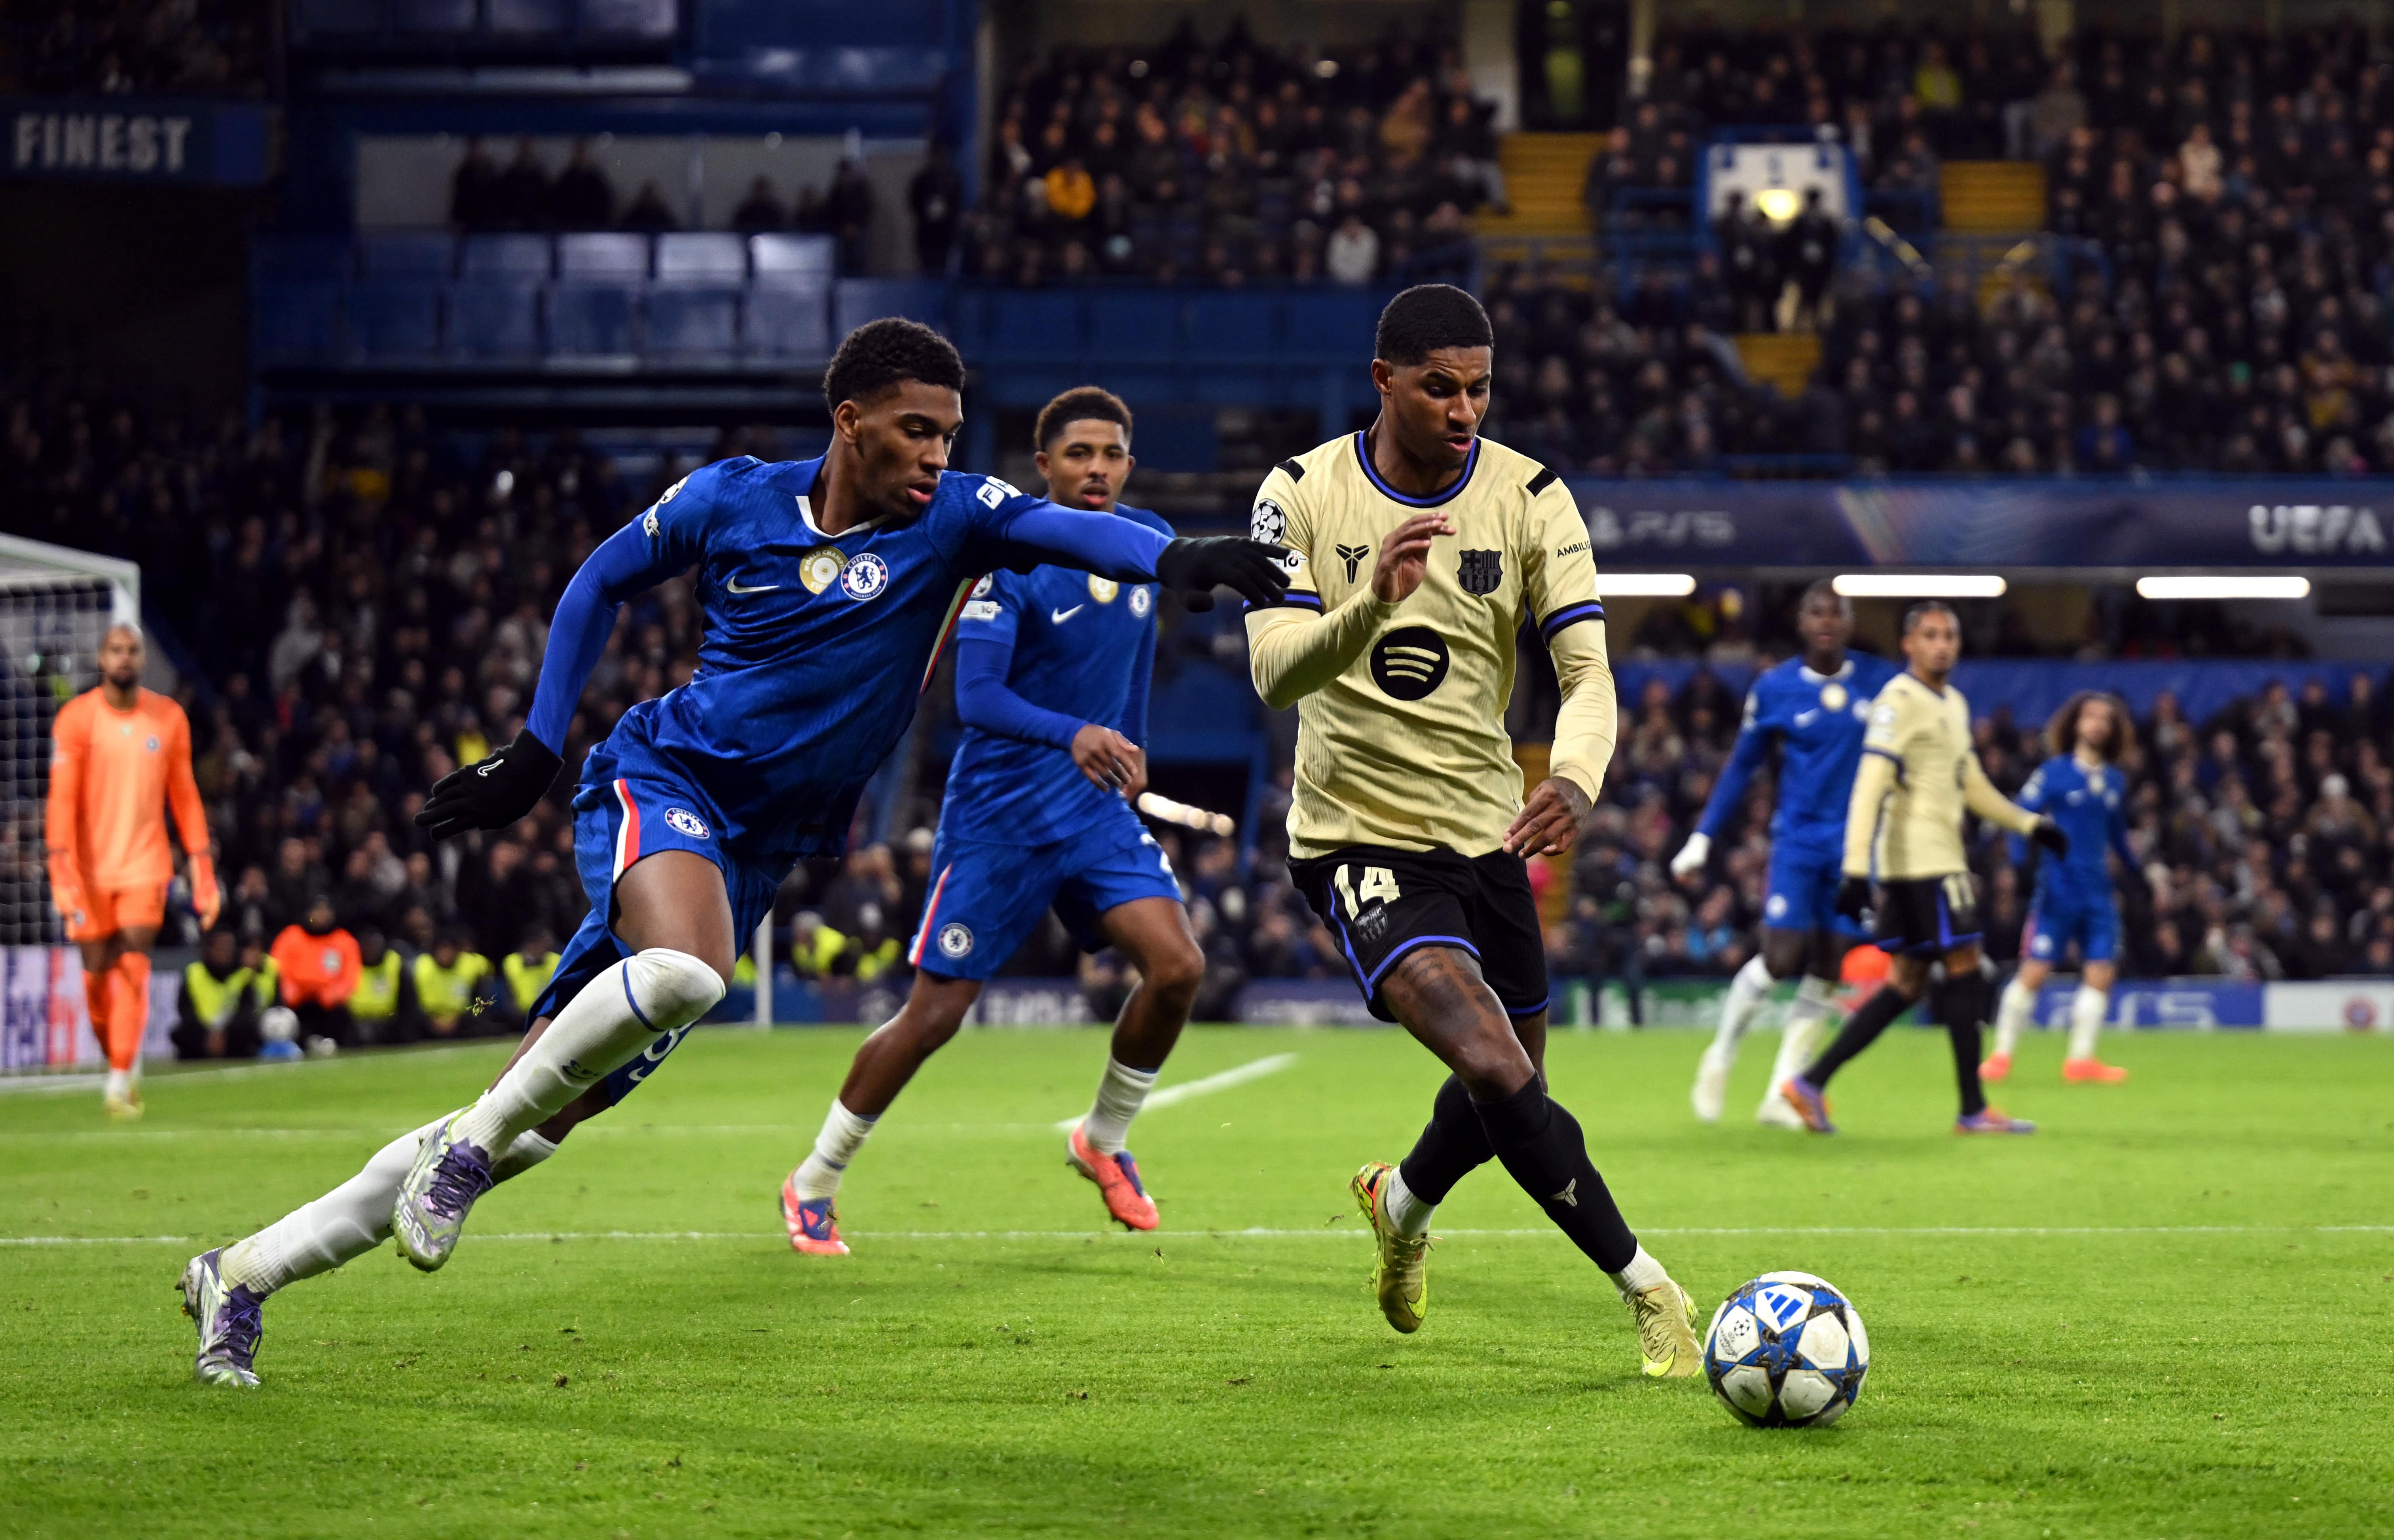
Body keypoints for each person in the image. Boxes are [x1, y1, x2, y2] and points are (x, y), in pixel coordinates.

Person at [176, 318, 1286, 1386]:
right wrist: (536, 747)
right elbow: (598, 581)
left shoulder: (956, 518)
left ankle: (246, 1271)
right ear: (850, 421)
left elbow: (1084, 535)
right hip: (666, 780)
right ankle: (463, 1152)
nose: (936, 456)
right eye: (915, 430)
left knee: (532, 1115)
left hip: (756, 853)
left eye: (948, 435)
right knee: (686, 974)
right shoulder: (734, 499)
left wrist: (1183, 554)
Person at [1242, 284, 1704, 1378]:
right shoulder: (1296, 492)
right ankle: (1651, 1289)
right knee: (1498, 1064)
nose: (1463, 409)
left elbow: (1586, 673)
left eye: (1479, 388)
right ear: (1384, 381)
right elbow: (1273, 673)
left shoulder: (1531, 496)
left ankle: (1399, 1203)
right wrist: (1371, 602)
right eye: (1440, 387)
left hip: (1487, 834)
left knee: (1509, 1085)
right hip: (1356, 835)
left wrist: (1578, 777)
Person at [778, 386, 1202, 1254]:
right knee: (936, 1015)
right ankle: (815, 1177)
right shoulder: (1008, 558)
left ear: (1130, 464)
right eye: (1078, 453)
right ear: (1042, 466)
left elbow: (1136, 658)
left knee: (1177, 966)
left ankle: (1104, 1139)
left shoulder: (1145, 539)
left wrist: (1133, 747)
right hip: (999, 817)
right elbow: (975, 697)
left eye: (1111, 454)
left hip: (1092, 810)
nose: (1096, 468)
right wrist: (1073, 732)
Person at [1778, 602, 2067, 1136]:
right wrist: (1854, 867)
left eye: (1949, 636)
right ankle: (1972, 1109)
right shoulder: (1898, 701)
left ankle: (1809, 1083)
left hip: (1931, 860)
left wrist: (2028, 824)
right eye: (1929, 635)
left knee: (1906, 982)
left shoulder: (1951, 703)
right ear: (1908, 644)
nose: (1941, 645)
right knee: (1965, 965)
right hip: (1922, 861)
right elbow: (1869, 783)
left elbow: (1970, 783)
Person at [1673, 582, 1899, 1128]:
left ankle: (1784, 1091)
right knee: (1778, 958)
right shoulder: (1775, 688)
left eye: (1835, 613)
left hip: (1853, 849)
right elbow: (1740, 766)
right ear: (1801, 623)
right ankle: (1720, 1055)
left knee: (1828, 964)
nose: (1826, 621)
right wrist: (1702, 837)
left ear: (1849, 622)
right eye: (1815, 612)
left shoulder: (1880, 682)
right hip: (1797, 841)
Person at [46, 623, 218, 1119]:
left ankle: (119, 1080)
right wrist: (60, 866)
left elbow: (184, 796)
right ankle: (116, 1060)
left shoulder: (168, 718)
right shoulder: (76, 719)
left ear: (143, 660)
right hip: (88, 871)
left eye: (133, 650)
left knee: (133, 964)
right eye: (116, 650)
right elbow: (62, 799)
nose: (125, 657)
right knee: (97, 976)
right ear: (102, 659)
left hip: (146, 865)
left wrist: (202, 865)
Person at [1984, 692, 2140, 1084]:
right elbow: (2020, 816)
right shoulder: (2054, 773)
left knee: (2101, 971)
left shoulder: (2114, 780)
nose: (2097, 724)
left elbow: (2117, 835)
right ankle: (2000, 1055)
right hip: (2057, 890)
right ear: (2075, 723)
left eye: (2105, 718)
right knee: (2035, 970)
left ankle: (2080, 1060)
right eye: (2090, 716)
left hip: (2098, 894)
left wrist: (2136, 873)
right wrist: (2020, 863)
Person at [268, 894, 363, 1051]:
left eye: (326, 911)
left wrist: (332, 994)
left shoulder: (344, 941)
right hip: (298, 1003)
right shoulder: (291, 937)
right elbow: (277, 969)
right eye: (318, 911)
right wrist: (291, 991)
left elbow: (351, 977)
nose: (321, 916)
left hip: (329, 1004)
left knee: (342, 1018)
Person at [172, 927, 265, 1061]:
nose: (226, 952)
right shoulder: (194, 973)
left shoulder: (243, 975)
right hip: (202, 1032)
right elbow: (185, 1010)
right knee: (180, 1033)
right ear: (209, 949)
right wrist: (208, 1034)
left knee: (251, 1030)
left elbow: (247, 1011)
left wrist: (224, 1033)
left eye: (229, 948)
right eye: (221, 948)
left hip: (232, 1033)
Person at [410, 929, 494, 1038]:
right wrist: (434, 1021)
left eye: (449, 949)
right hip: (429, 1020)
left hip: (463, 1019)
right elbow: (413, 1002)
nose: (446, 954)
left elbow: (487, 976)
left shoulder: (471, 965)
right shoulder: (421, 966)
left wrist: (457, 1019)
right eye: (442, 949)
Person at [501, 925, 561, 1026]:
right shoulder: (512, 962)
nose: (547, 949)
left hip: (549, 1014)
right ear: (531, 945)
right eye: (544, 944)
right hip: (519, 1017)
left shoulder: (556, 960)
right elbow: (508, 992)